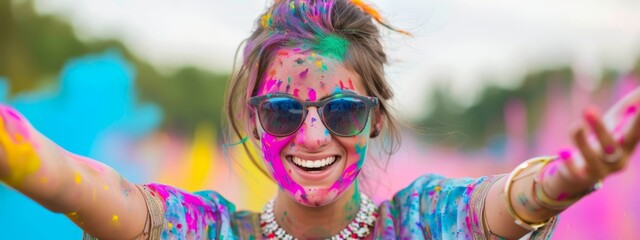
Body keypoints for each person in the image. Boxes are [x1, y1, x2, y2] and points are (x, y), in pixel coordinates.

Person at [1, 0, 638, 239]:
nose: (311, 136)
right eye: (282, 111)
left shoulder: (424, 224)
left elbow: (505, 205)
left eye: (342, 111)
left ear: (376, 122)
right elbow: (81, 188)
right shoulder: (208, 232)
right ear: (254, 120)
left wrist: (564, 181)